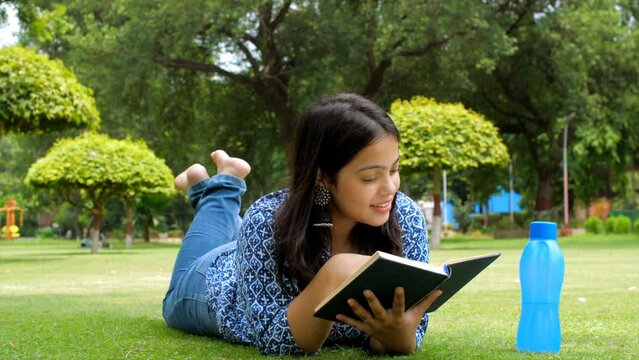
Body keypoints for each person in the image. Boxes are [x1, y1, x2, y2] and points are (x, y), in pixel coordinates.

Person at [163, 93, 442, 355]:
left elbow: (409, 334)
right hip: (215, 284)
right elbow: (274, 340)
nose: (390, 188)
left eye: (394, 169)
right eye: (370, 178)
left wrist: (397, 336)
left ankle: (205, 186)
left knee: (241, 230)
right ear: (322, 176)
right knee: (173, 300)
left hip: (254, 249)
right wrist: (335, 272)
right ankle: (222, 186)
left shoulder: (403, 214)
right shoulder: (266, 219)